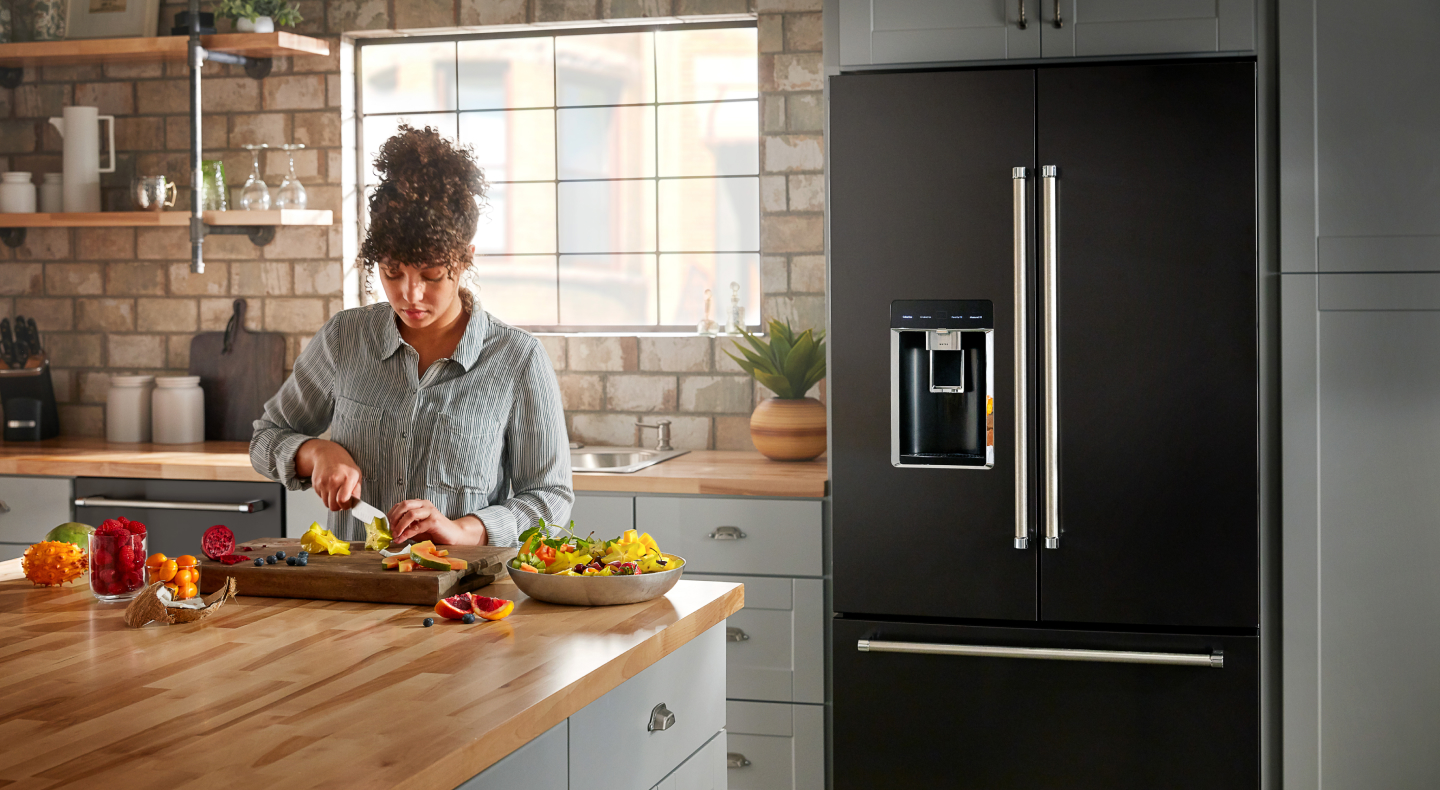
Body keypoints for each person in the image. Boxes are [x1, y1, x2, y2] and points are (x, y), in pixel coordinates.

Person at [250, 125, 572, 547]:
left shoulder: (517, 359)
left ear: (465, 257)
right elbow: (265, 438)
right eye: (392, 271)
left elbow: (551, 501)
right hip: (352, 594)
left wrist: (464, 529)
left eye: (432, 275)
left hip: (459, 600)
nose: (410, 294)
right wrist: (316, 453)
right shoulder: (345, 338)